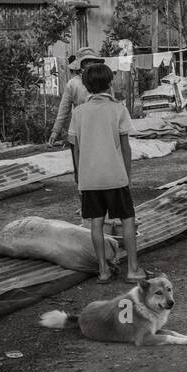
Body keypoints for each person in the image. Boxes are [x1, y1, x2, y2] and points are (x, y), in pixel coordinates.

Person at [67, 63, 141, 283]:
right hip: (115, 176)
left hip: (89, 178)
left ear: (86, 86)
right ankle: (133, 269)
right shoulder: (118, 109)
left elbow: (76, 147)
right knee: (127, 220)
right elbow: (125, 147)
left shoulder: (79, 113)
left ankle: (103, 270)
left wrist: (79, 176)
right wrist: (126, 174)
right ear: (110, 83)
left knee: (96, 224)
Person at [49, 47, 102, 146]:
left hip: (101, 127)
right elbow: (63, 110)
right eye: (87, 62)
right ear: (80, 65)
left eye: (93, 61)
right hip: (80, 129)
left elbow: (111, 104)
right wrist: (55, 132)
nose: (91, 65)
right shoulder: (73, 84)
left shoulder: (102, 81)